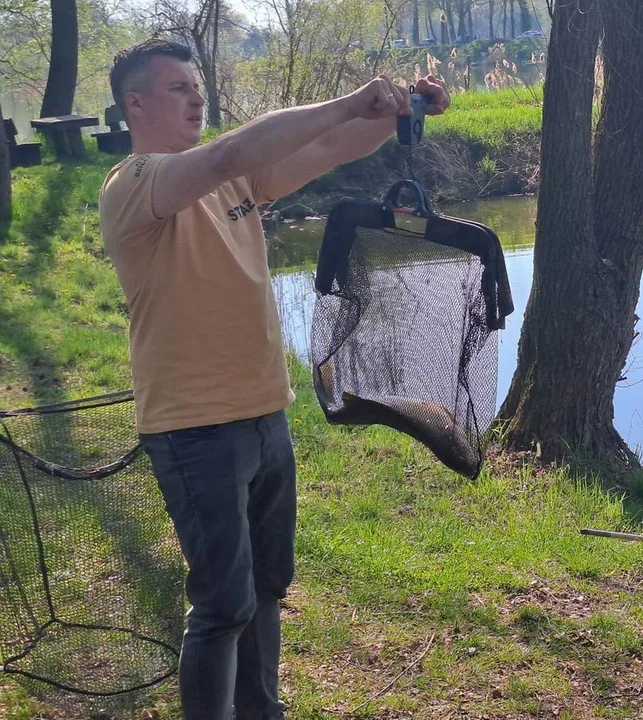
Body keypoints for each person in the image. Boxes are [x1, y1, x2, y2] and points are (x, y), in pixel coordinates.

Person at [98, 39, 450, 720]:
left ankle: (262, 711)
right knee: (221, 603)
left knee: (265, 586)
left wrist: (402, 107)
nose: (196, 97)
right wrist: (349, 99)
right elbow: (232, 151)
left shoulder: (237, 183)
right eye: (177, 88)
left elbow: (331, 150)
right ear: (134, 104)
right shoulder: (135, 185)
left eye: (197, 86)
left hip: (265, 413)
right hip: (194, 427)